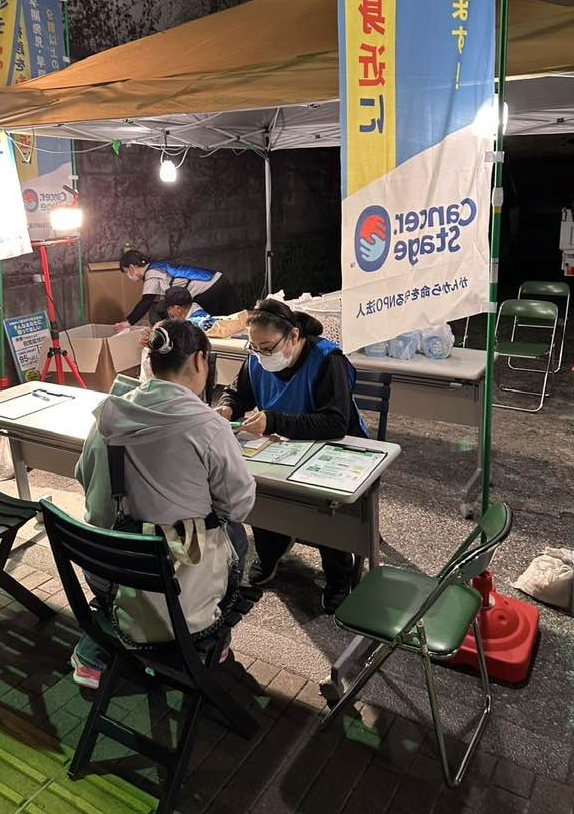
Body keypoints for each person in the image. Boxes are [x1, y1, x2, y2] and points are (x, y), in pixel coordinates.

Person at [72, 319, 255, 689]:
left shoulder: (109, 414)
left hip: (107, 570)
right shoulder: (209, 427)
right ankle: (205, 638)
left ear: (151, 361)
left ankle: (102, 643)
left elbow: (83, 476)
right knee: (235, 534)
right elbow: (237, 506)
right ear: (200, 361)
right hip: (176, 592)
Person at [216, 298, 368, 614]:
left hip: (335, 449)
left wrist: (274, 421)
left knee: (326, 509)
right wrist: (227, 407)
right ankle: (272, 549)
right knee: (259, 489)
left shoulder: (327, 360)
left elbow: (335, 423)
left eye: (268, 347)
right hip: (282, 447)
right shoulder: (257, 358)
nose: (261, 354)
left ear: (294, 336)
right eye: (255, 347)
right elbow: (237, 393)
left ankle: (339, 575)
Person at [115, 249, 240, 332]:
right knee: (234, 322)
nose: (129, 276)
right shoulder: (157, 266)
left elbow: (146, 301)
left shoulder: (152, 274)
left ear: (131, 268)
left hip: (208, 290)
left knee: (213, 329)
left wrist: (129, 322)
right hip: (218, 280)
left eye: (127, 272)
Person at [165, 286, 249, 338]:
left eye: (169, 308)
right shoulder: (194, 309)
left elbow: (220, 329)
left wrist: (247, 318)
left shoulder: (196, 322)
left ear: (178, 308)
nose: (168, 312)